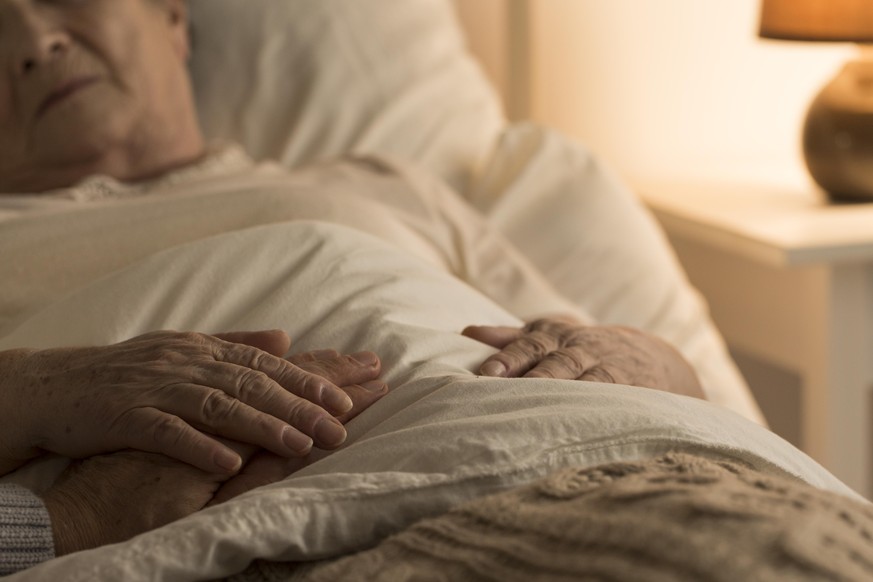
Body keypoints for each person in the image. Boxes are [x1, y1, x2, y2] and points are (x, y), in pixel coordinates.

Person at [0, 0, 703, 573]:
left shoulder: (387, 185)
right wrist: (35, 398)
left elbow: (627, 368)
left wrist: (656, 364)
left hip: (586, 470)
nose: (33, 43)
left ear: (173, 18)